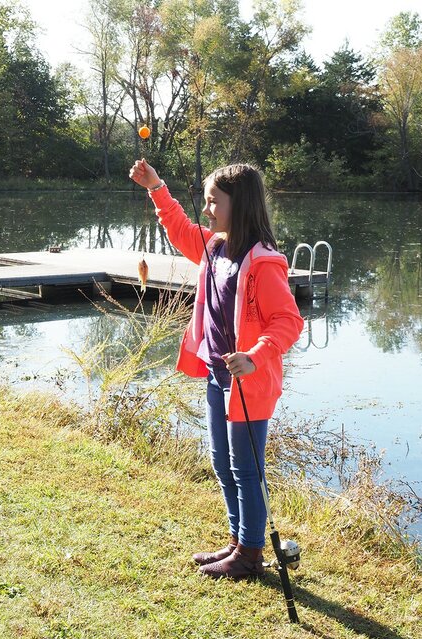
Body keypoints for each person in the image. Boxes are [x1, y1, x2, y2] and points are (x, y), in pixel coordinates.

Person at [129, 159, 303, 580]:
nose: (207, 210)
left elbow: (289, 320)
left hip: (247, 380)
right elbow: (181, 230)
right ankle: (237, 541)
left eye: (213, 202)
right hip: (215, 373)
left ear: (238, 205)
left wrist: (255, 355)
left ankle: (250, 554)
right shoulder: (215, 247)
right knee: (222, 463)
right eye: (205, 201)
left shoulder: (264, 262)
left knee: (246, 468)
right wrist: (156, 187)